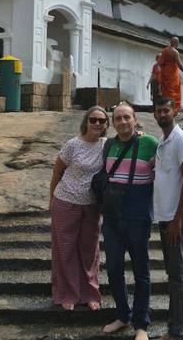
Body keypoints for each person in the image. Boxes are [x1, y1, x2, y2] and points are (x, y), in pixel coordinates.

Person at [102, 101, 159, 339]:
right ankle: (123, 315)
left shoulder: (150, 143)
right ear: (113, 123)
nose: (123, 122)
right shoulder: (108, 146)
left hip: (137, 213)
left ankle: (141, 324)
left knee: (141, 270)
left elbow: (166, 170)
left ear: (135, 119)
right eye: (118, 118)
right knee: (114, 268)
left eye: (127, 117)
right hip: (113, 215)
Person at [49, 105, 109, 311]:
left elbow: (128, 140)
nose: (97, 124)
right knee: (65, 249)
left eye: (102, 121)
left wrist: (139, 132)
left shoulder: (106, 145)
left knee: (89, 251)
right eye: (93, 119)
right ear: (86, 121)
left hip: (91, 205)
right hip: (65, 200)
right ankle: (67, 293)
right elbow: (57, 173)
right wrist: (51, 201)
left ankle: (90, 293)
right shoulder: (72, 145)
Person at [153, 97, 183, 340]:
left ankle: (178, 333)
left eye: (166, 110)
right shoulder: (163, 141)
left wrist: (178, 220)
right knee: (172, 272)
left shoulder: (181, 139)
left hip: (177, 216)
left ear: (174, 111)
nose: (162, 114)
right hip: (166, 214)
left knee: (177, 274)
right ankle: (174, 328)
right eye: (158, 111)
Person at [158, 37, 183, 111]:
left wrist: (164, 69)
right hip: (173, 74)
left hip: (165, 73)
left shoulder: (164, 50)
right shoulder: (175, 52)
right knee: (175, 91)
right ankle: (175, 107)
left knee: (166, 91)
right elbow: (179, 64)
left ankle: (167, 106)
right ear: (176, 43)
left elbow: (160, 63)